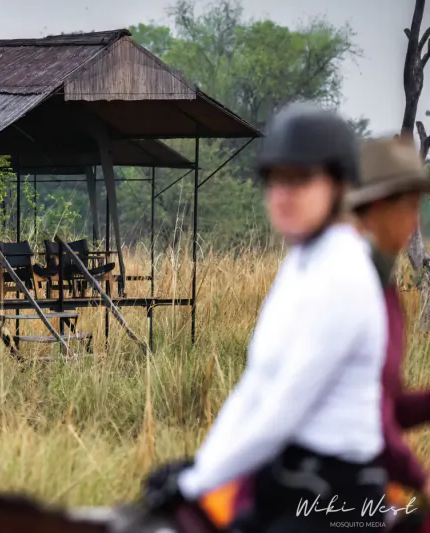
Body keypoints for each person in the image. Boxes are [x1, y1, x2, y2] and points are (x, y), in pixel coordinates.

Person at [142, 101, 389, 533]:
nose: (282, 195)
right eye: (274, 180)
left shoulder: (344, 274)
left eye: (300, 180)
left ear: (339, 184)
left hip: (336, 498)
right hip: (285, 480)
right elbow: (255, 386)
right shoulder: (300, 263)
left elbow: (282, 408)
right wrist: (201, 470)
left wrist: (196, 482)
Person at [346, 137, 430, 518]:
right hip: (335, 476)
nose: (416, 222)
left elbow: (386, 405)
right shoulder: (350, 284)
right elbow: (367, 414)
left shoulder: (386, 289)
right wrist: (419, 479)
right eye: (409, 207)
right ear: (378, 206)